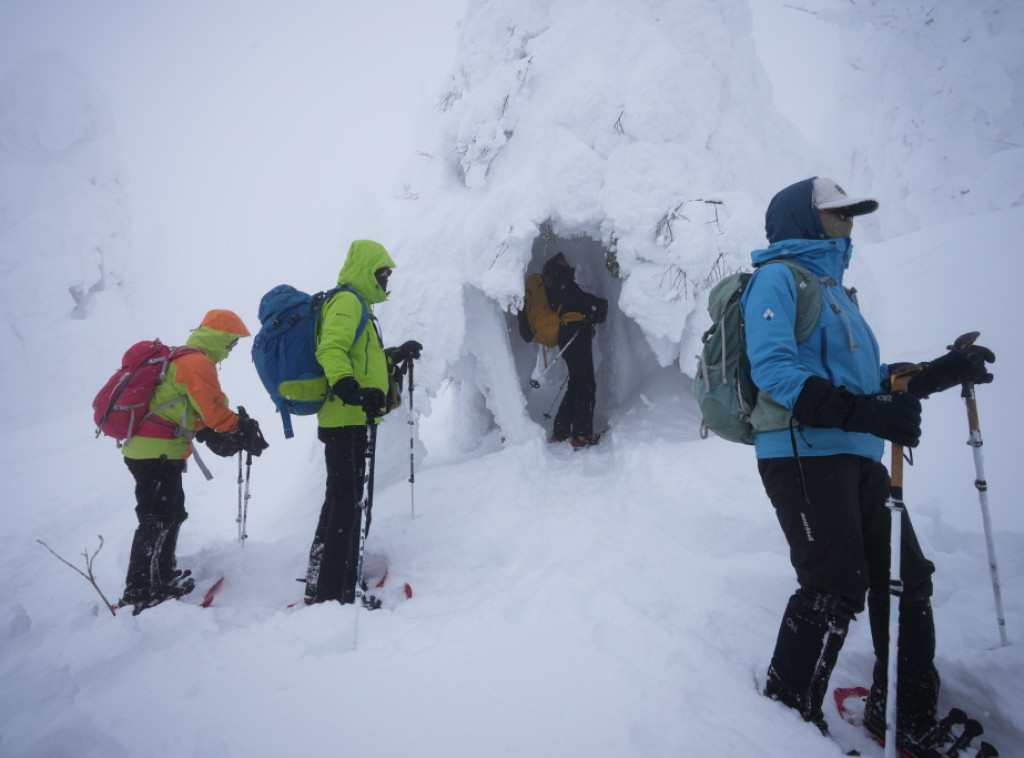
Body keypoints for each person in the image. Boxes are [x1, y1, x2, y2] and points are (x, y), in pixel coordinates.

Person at [740, 177, 995, 752]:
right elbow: (774, 372)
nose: (848, 222)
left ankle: (902, 713)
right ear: (802, 220)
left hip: (856, 453)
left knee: (906, 581)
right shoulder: (776, 279)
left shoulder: (836, 291)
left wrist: (938, 372)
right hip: (803, 452)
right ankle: (785, 722)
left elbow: (863, 386)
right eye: (836, 213)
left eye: (852, 213)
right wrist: (862, 410)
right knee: (833, 583)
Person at [119, 309, 268, 614]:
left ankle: (160, 580)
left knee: (170, 514)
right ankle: (139, 591)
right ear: (219, 338)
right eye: (230, 344)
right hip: (156, 451)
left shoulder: (181, 358)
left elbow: (196, 409)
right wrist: (240, 427)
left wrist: (223, 427)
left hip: (156, 450)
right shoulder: (197, 362)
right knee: (157, 519)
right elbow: (214, 413)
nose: (230, 352)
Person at [304, 239, 422, 607]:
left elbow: (359, 358)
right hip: (346, 417)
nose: (386, 279)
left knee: (342, 499)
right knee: (348, 503)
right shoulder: (347, 301)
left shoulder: (360, 306)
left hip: (351, 417)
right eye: (382, 273)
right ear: (366, 271)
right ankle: (335, 591)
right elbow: (332, 349)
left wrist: (393, 355)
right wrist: (349, 389)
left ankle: (324, 578)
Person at [541, 252, 608, 447]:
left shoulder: (556, 286)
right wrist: (599, 305)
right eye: (563, 262)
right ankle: (581, 435)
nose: (568, 264)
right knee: (586, 384)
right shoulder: (563, 284)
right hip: (575, 335)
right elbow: (585, 304)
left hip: (570, 336)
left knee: (577, 382)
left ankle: (561, 431)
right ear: (557, 268)